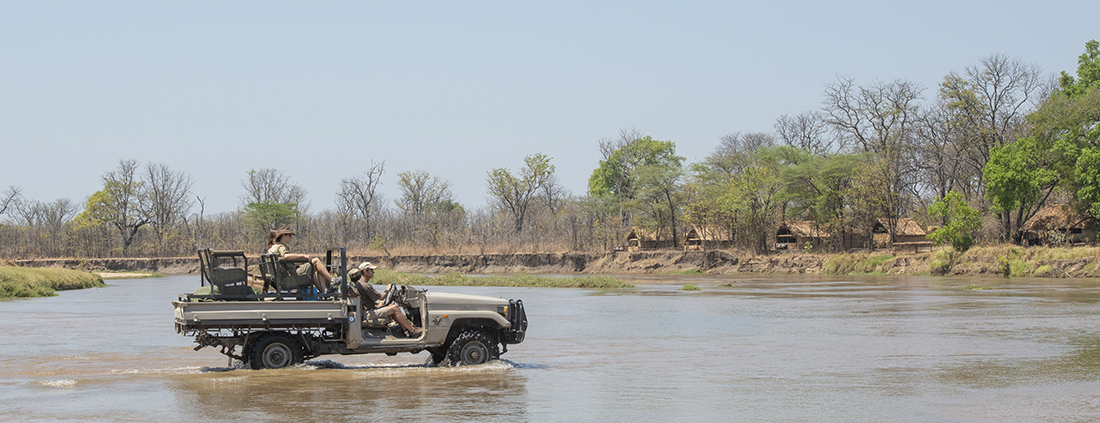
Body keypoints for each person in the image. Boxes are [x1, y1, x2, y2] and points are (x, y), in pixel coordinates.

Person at [347, 262, 422, 338]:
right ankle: (413, 331)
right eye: (371, 270)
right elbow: (381, 297)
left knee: (391, 306)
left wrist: (377, 305)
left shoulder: (360, 283)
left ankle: (406, 330)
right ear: (365, 272)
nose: (373, 272)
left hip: (366, 311)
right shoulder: (365, 285)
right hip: (367, 314)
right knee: (395, 308)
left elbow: (366, 301)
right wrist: (387, 289)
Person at [267, 227, 334, 293]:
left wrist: (302, 260)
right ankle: (332, 280)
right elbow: (286, 256)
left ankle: (323, 290)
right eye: (289, 235)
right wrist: (303, 255)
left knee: (319, 267)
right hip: (292, 275)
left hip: (290, 274)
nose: (291, 238)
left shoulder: (281, 246)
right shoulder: (281, 246)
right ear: (283, 235)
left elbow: (286, 260)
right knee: (316, 261)